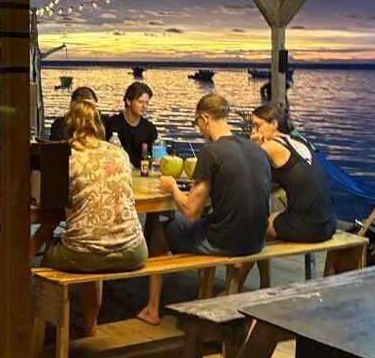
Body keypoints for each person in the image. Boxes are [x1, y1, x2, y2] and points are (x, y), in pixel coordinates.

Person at [137, 93, 271, 326]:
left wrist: (173, 188)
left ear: (205, 118)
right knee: (207, 222)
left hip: (226, 241)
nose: (198, 129)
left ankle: (152, 309)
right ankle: (203, 294)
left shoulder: (211, 152)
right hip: (258, 239)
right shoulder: (257, 149)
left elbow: (191, 211)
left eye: (197, 122)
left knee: (159, 232)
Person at [42, 100, 146, 337]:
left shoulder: (66, 156)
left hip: (86, 252)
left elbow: (51, 198)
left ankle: (47, 329)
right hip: (134, 250)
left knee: (51, 257)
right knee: (91, 245)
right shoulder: (119, 153)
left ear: (70, 124)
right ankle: (89, 322)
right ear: (99, 125)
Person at [250, 104, 335, 242]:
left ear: (273, 124)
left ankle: (244, 258)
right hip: (329, 223)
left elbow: (245, 167)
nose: (253, 131)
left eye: (257, 126)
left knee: (256, 225)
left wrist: (254, 145)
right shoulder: (300, 139)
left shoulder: (272, 146)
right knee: (273, 217)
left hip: (310, 227)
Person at [104, 82, 157, 168]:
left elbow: (156, 158)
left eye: (147, 103)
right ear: (128, 101)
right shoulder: (113, 124)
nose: (144, 106)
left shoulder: (149, 128)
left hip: (142, 172)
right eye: (140, 102)